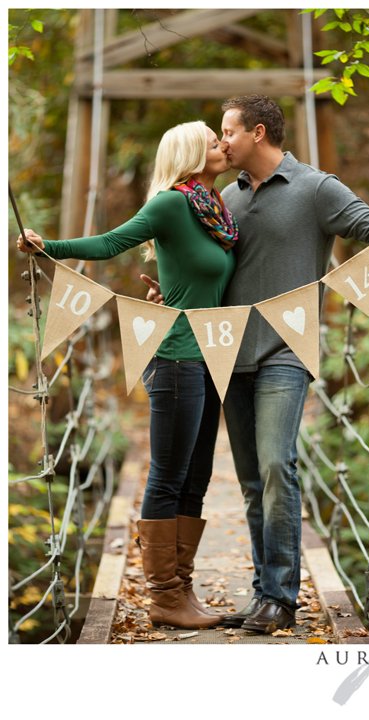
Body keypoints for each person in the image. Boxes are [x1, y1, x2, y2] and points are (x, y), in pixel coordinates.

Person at [144, 95, 369, 633]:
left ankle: (281, 597)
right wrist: (173, 298)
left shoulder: (316, 188)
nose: (221, 141)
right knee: (251, 480)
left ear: (261, 132)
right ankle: (263, 592)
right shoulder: (223, 197)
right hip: (226, 353)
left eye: (229, 131)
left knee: (276, 465)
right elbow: (202, 270)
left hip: (284, 352)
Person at [18, 121, 235, 629]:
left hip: (212, 355)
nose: (222, 145)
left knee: (197, 478)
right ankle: (164, 597)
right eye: (212, 139)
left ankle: (182, 588)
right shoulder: (170, 204)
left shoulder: (215, 209)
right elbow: (111, 242)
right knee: (169, 474)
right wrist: (50, 245)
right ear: (189, 152)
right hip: (177, 356)